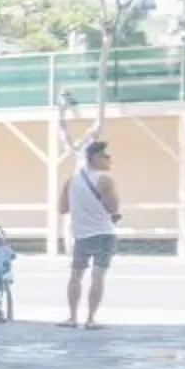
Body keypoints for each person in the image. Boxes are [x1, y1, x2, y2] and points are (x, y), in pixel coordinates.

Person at [58, 137, 120, 329]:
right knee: (98, 276)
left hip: (80, 234)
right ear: (94, 158)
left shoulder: (71, 181)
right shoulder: (105, 180)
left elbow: (63, 208)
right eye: (105, 156)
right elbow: (113, 207)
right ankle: (91, 318)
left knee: (75, 275)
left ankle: (72, 316)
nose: (109, 159)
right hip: (103, 233)